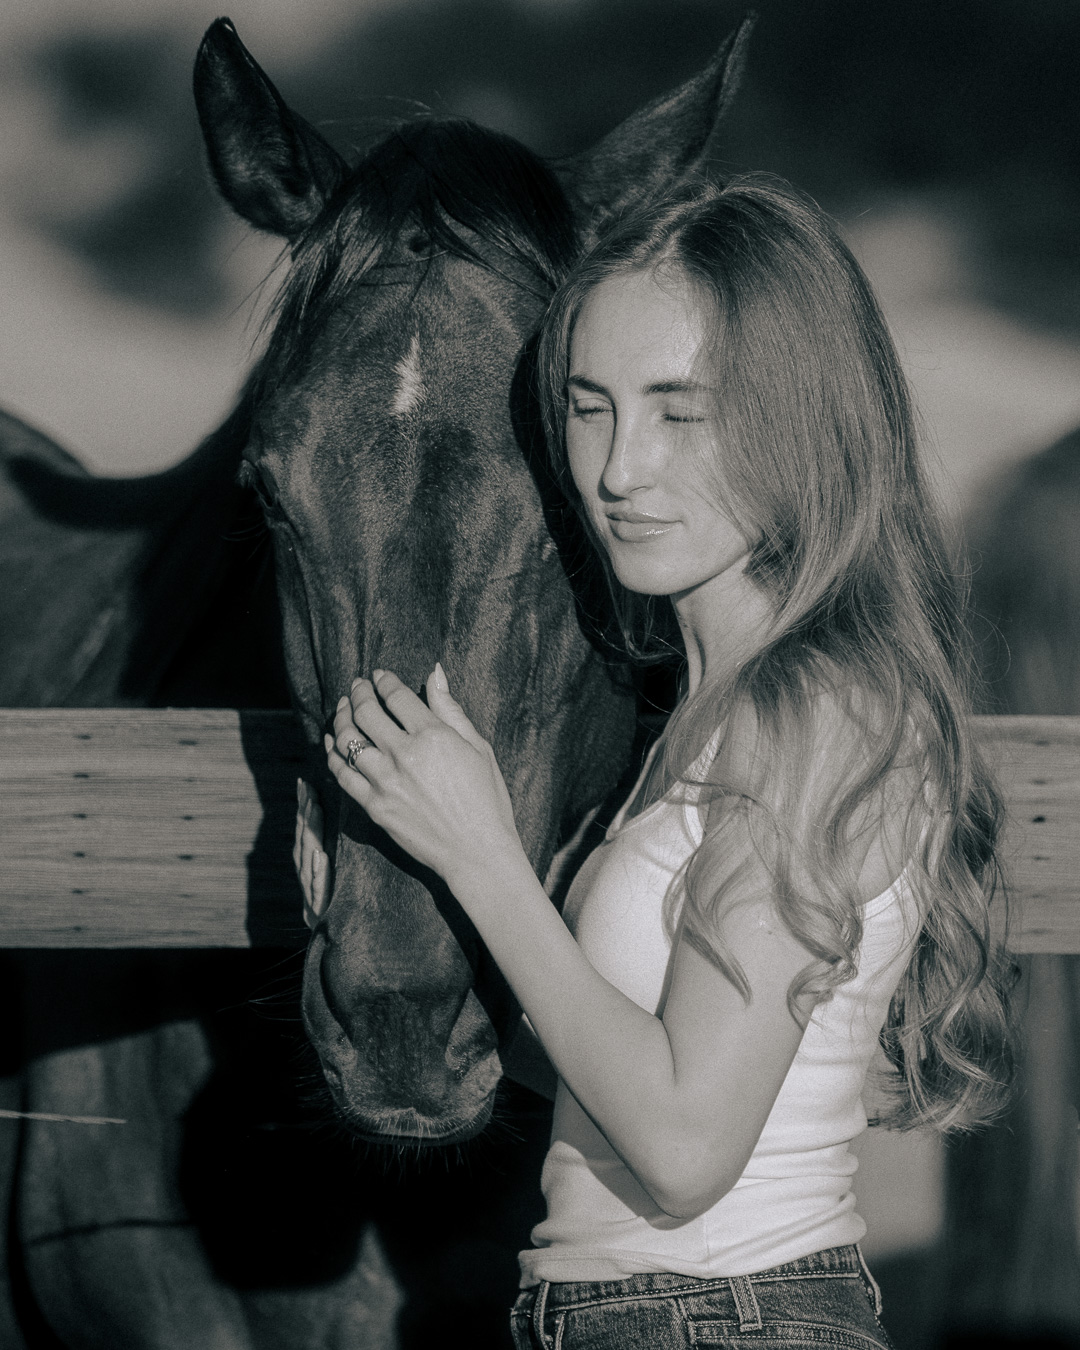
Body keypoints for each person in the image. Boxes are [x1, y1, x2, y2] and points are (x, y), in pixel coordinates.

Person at [294, 175, 1013, 1350]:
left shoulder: (814, 712)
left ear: (798, 418)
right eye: (589, 408)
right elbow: (615, 1079)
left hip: (716, 1319)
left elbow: (682, 1151)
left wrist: (483, 859)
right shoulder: (714, 708)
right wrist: (400, 880)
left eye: (680, 412)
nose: (619, 469)